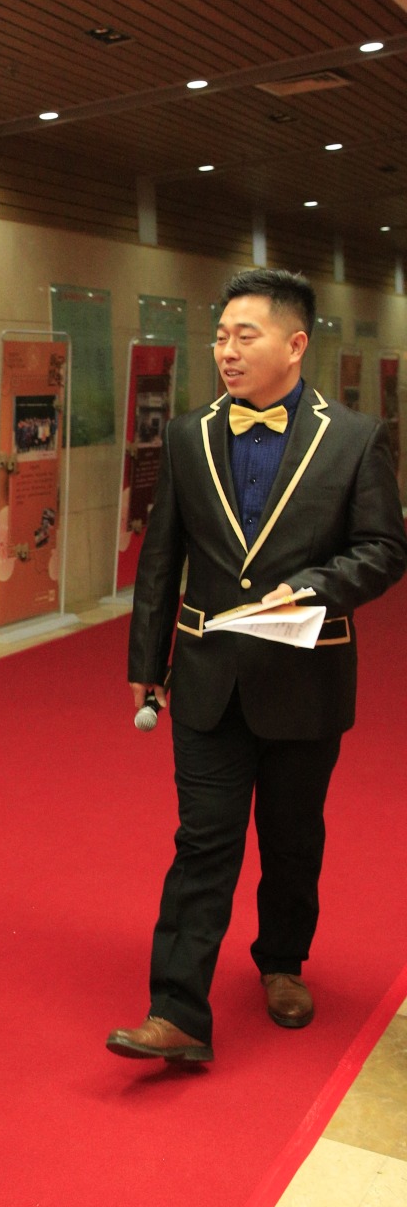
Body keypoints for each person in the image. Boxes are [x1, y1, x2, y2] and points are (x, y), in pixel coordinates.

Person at [109, 268, 407, 1064]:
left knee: (291, 837)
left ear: (295, 344)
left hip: (305, 679)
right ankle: (176, 1010)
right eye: (220, 337)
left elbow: (385, 549)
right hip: (207, 675)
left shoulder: (354, 439)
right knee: (202, 842)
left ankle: (282, 961)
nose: (227, 351)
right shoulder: (187, 435)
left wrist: (314, 587)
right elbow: (161, 557)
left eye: (246, 336)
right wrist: (148, 659)